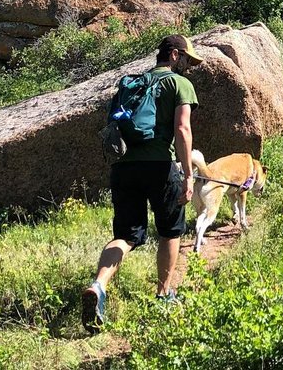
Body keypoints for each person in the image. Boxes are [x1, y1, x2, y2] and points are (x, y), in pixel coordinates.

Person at [82, 33, 201, 330]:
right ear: (174, 55)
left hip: (123, 167)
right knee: (171, 231)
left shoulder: (132, 83)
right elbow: (183, 130)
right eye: (187, 58)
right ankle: (163, 293)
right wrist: (188, 175)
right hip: (159, 165)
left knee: (127, 235)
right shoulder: (179, 84)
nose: (189, 65)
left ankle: (99, 285)